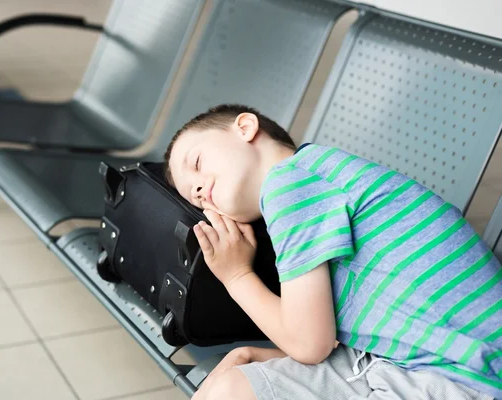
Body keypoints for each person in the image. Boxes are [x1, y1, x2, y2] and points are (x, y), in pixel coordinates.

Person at [164, 104, 502, 400]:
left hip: (461, 378)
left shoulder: (290, 184)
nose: (198, 189)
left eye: (196, 161)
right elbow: (329, 333)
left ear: (245, 128)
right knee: (229, 387)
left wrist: (237, 275)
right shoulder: (315, 175)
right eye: (196, 199)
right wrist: (270, 353)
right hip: (414, 360)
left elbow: (310, 344)